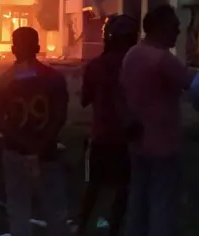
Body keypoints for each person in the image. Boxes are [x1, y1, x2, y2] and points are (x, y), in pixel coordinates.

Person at [120, 5, 193, 236]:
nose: (178, 31)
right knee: (163, 202)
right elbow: (195, 86)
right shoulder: (163, 59)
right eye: (174, 26)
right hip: (163, 142)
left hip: (137, 138)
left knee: (139, 199)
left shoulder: (133, 54)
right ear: (160, 28)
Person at [0, 27, 69, 236]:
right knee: (55, 209)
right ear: (38, 47)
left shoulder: (3, 80)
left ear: (13, 48)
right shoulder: (53, 78)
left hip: (15, 151)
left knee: (18, 209)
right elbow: (60, 115)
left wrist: (22, 142)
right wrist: (42, 142)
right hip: (48, 151)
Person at [77, 15, 139, 236]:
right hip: (130, 137)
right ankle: (115, 229)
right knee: (123, 187)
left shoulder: (96, 65)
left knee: (94, 186)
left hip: (101, 136)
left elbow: (85, 99)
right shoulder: (135, 65)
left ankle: (82, 228)